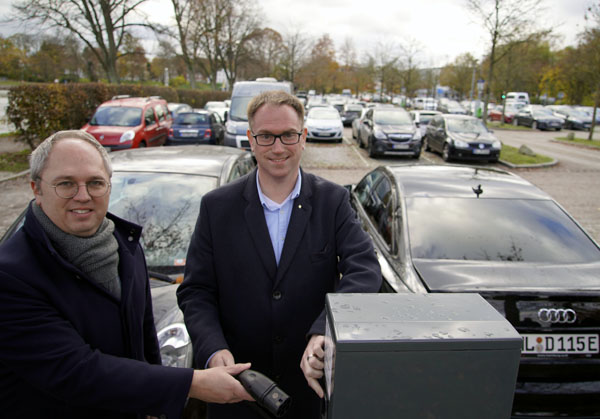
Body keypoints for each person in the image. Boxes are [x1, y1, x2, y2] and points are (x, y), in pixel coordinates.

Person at [0, 130, 253, 419]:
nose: (82, 196)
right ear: (37, 188)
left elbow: (145, 348)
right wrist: (191, 383)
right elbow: (76, 371)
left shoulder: (126, 247)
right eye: (66, 184)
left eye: (95, 183)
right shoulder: (10, 275)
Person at [177, 91, 382, 419]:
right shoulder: (217, 207)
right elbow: (196, 291)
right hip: (237, 391)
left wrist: (326, 328)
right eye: (266, 136)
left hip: (308, 391)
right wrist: (213, 349)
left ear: (303, 137)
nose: (277, 147)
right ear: (250, 140)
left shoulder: (333, 202)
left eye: (288, 135)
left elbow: (365, 269)